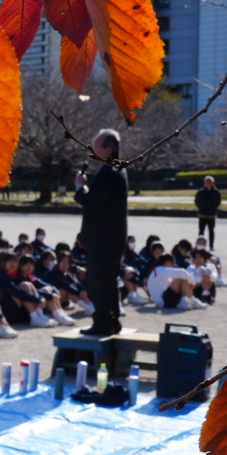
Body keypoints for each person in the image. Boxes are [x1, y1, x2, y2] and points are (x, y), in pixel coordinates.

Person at [77, 130, 129, 336]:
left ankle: (103, 323)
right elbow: (100, 201)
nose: (92, 149)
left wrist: (80, 188)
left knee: (98, 281)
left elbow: (92, 202)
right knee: (108, 281)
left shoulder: (110, 172)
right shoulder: (115, 169)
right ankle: (112, 321)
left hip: (104, 238)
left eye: (96, 146)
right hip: (111, 237)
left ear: (108, 149)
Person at [194, 175, 222, 250]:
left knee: (211, 231)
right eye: (207, 182)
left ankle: (211, 246)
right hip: (202, 214)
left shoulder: (216, 192)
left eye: (210, 182)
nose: (208, 183)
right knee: (201, 231)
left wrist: (213, 209)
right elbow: (197, 201)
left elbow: (218, 202)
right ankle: (199, 246)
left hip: (211, 215)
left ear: (213, 183)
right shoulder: (201, 192)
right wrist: (201, 208)